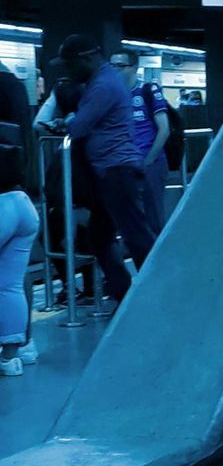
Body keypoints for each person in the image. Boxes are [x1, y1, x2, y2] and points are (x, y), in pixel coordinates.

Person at [50, 36, 157, 310]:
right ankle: (126, 295)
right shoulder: (104, 81)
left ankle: (158, 292)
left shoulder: (103, 85)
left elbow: (79, 127)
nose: (68, 71)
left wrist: (66, 123)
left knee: (136, 235)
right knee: (102, 236)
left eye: (71, 64)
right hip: (110, 171)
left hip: (117, 170)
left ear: (86, 59)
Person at [109, 49, 173, 234]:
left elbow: (164, 129)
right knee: (129, 219)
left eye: (120, 66)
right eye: (111, 66)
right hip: (123, 164)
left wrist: (148, 161)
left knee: (154, 218)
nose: (115, 70)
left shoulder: (148, 91)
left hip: (149, 163)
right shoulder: (112, 96)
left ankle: (159, 257)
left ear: (134, 68)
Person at [0, 141, 38, 378]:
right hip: (21, 199)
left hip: (5, 202)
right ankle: (14, 353)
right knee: (11, 283)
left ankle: (10, 355)